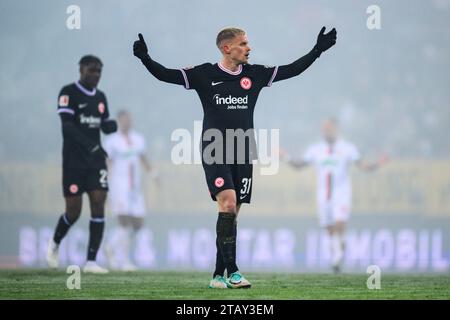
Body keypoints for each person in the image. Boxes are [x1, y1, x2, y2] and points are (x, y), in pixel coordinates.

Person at [132, 26, 337, 288]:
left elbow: (291, 70)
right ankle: (235, 272)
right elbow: (166, 75)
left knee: (231, 214)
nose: (248, 48)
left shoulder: (255, 74)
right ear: (226, 48)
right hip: (214, 148)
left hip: (243, 150)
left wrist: (317, 50)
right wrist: (146, 59)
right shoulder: (204, 74)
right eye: (243, 43)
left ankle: (218, 275)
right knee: (228, 203)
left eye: (248, 43)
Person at [282, 118, 388, 273]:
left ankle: (337, 257)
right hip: (323, 195)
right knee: (329, 229)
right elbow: (299, 165)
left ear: (336, 130)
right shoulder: (316, 149)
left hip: (341, 193)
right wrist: (285, 157)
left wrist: (377, 164)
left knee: (339, 223)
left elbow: (362, 166)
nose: (326, 132)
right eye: (324, 129)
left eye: (329, 129)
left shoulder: (347, 148)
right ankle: (339, 248)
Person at [46, 55, 117, 273]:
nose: (96, 75)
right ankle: (55, 243)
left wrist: (110, 127)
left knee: (98, 203)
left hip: (96, 161)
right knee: (74, 211)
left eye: (99, 72)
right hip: (74, 161)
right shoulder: (68, 93)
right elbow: (67, 126)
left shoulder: (101, 97)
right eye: (92, 70)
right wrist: (91, 145)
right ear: (81, 69)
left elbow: (103, 124)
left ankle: (91, 262)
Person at [103, 110, 152, 271]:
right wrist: (104, 184)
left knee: (138, 223)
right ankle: (123, 261)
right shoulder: (112, 142)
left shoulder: (138, 139)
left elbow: (143, 158)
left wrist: (153, 173)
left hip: (135, 188)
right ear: (118, 121)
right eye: (124, 120)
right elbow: (107, 163)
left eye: (129, 120)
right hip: (119, 186)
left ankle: (111, 245)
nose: (127, 122)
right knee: (124, 222)